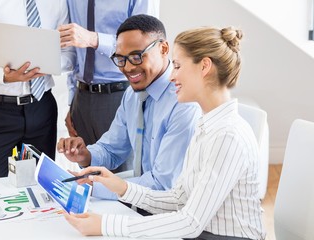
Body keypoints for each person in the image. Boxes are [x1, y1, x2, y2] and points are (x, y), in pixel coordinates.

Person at [61, 26, 267, 239]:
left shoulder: (227, 135)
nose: (172, 76)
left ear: (204, 66)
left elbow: (190, 222)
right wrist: (120, 187)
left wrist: (107, 225)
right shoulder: (208, 126)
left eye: (177, 66)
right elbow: (180, 199)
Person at [57, 15, 201, 200]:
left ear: (163, 49)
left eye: (136, 56)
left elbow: (163, 184)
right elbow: (112, 149)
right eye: (121, 59)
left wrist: (94, 188)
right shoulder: (132, 95)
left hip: (171, 209)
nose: (128, 68)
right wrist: (85, 155)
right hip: (142, 200)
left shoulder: (184, 101)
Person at [0, 0, 74, 180]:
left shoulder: (58, 2)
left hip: (42, 107)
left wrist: (48, 64)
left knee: (41, 189)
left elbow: (70, 54)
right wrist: (4, 75)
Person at [58, 1, 160, 153]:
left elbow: (146, 45)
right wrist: (72, 103)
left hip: (120, 96)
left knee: (123, 173)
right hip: (82, 101)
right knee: (87, 173)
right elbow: (74, 50)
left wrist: (94, 39)